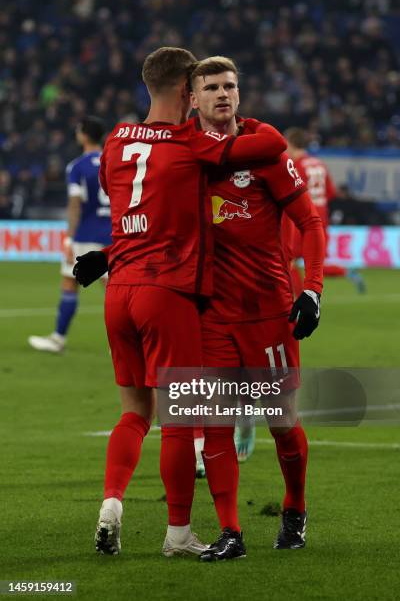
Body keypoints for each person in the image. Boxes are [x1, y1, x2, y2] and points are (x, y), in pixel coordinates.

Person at [75, 47, 288, 558]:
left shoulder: (115, 139)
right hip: (165, 293)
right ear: (186, 92)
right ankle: (177, 535)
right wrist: (246, 120)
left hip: (118, 291)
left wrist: (108, 254)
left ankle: (111, 503)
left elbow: (135, 211)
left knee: (132, 413)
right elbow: (273, 145)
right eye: (201, 89)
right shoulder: (192, 142)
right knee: (180, 418)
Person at [188, 57, 325, 560]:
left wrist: (311, 290)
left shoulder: (265, 150)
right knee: (215, 420)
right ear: (193, 99)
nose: (224, 94)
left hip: (268, 310)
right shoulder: (183, 153)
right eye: (213, 88)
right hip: (211, 313)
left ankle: (295, 507)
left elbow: (309, 222)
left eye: (230, 86)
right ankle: (231, 532)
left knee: (281, 421)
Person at [28, 116, 110, 353]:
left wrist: (68, 239)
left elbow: (75, 205)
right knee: (116, 291)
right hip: (114, 234)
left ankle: (58, 339)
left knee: (69, 283)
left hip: (86, 234)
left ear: (84, 135)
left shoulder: (77, 166)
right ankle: (128, 343)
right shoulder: (114, 161)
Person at [282, 127, 366, 296]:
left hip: (302, 220)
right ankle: (345, 272)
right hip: (321, 220)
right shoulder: (319, 163)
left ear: (291, 144)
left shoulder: (295, 165)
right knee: (313, 264)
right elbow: (331, 192)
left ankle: (296, 302)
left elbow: (291, 194)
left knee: (289, 260)